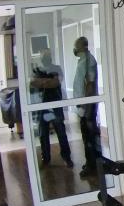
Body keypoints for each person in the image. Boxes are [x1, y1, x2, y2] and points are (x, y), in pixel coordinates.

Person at [30, 49, 72, 168]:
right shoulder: (37, 70)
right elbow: (33, 83)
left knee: (61, 132)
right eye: (43, 56)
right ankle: (46, 159)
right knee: (43, 134)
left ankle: (67, 157)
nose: (45, 58)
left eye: (47, 55)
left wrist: (42, 82)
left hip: (55, 105)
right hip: (42, 107)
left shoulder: (57, 68)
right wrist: (47, 81)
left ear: (50, 56)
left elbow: (55, 83)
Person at [72, 36, 100, 178]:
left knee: (89, 137)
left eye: (76, 46)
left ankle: (92, 165)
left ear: (82, 46)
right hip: (84, 104)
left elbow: (90, 84)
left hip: (87, 105)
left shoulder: (89, 61)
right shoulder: (83, 60)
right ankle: (92, 162)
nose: (74, 49)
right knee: (87, 135)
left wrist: (84, 105)